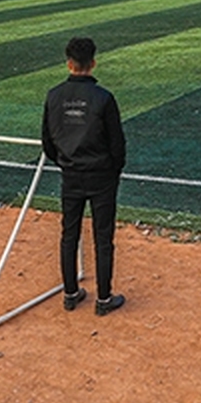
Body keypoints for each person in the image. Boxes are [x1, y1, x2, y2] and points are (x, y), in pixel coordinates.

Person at [42, 37, 127, 316]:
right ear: (93, 63)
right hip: (101, 176)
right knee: (104, 237)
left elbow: (47, 142)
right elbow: (117, 145)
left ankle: (70, 294)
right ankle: (104, 298)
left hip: (71, 174)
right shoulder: (104, 98)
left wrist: (66, 162)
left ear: (68, 63)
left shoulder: (54, 96)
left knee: (70, 234)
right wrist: (112, 170)